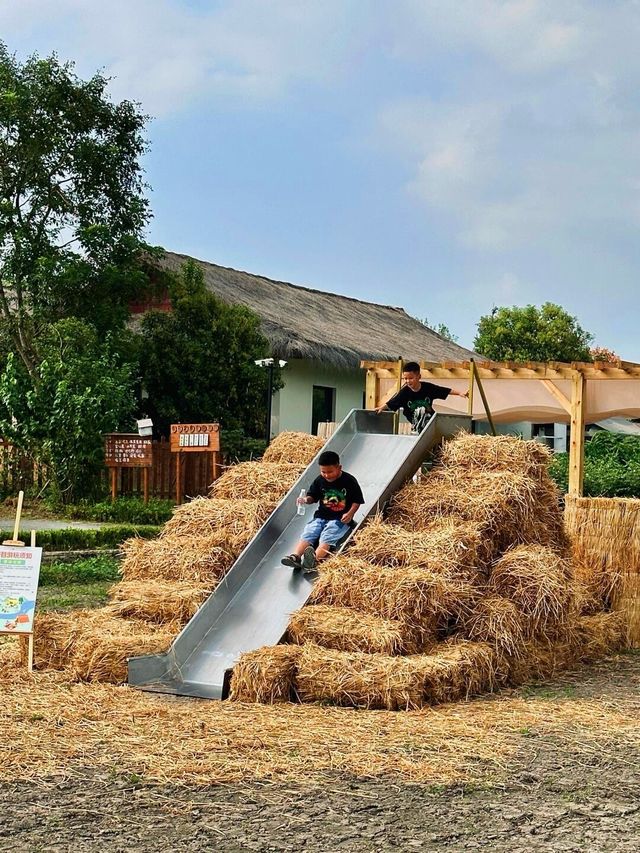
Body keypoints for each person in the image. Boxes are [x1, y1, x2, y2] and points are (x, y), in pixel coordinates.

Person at [281, 450, 364, 572]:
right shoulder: (320, 480)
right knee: (309, 531)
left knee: (328, 535)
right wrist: (305, 500)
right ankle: (296, 556)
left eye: (330, 472)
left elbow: (357, 501)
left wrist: (350, 514)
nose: (326, 475)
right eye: (323, 472)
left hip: (339, 519)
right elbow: (312, 497)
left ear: (339, 467)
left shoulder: (349, 481)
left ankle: (315, 559)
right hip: (321, 516)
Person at [375, 361, 468, 432]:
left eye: (411, 378)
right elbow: (392, 403)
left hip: (429, 420)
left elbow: (444, 390)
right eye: (405, 378)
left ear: (419, 376)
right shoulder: (404, 393)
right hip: (414, 423)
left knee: (423, 411)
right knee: (419, 413)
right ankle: (418, 428)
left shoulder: (428, 388)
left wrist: (460, 393)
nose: (408, 381)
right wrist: (381, 408)